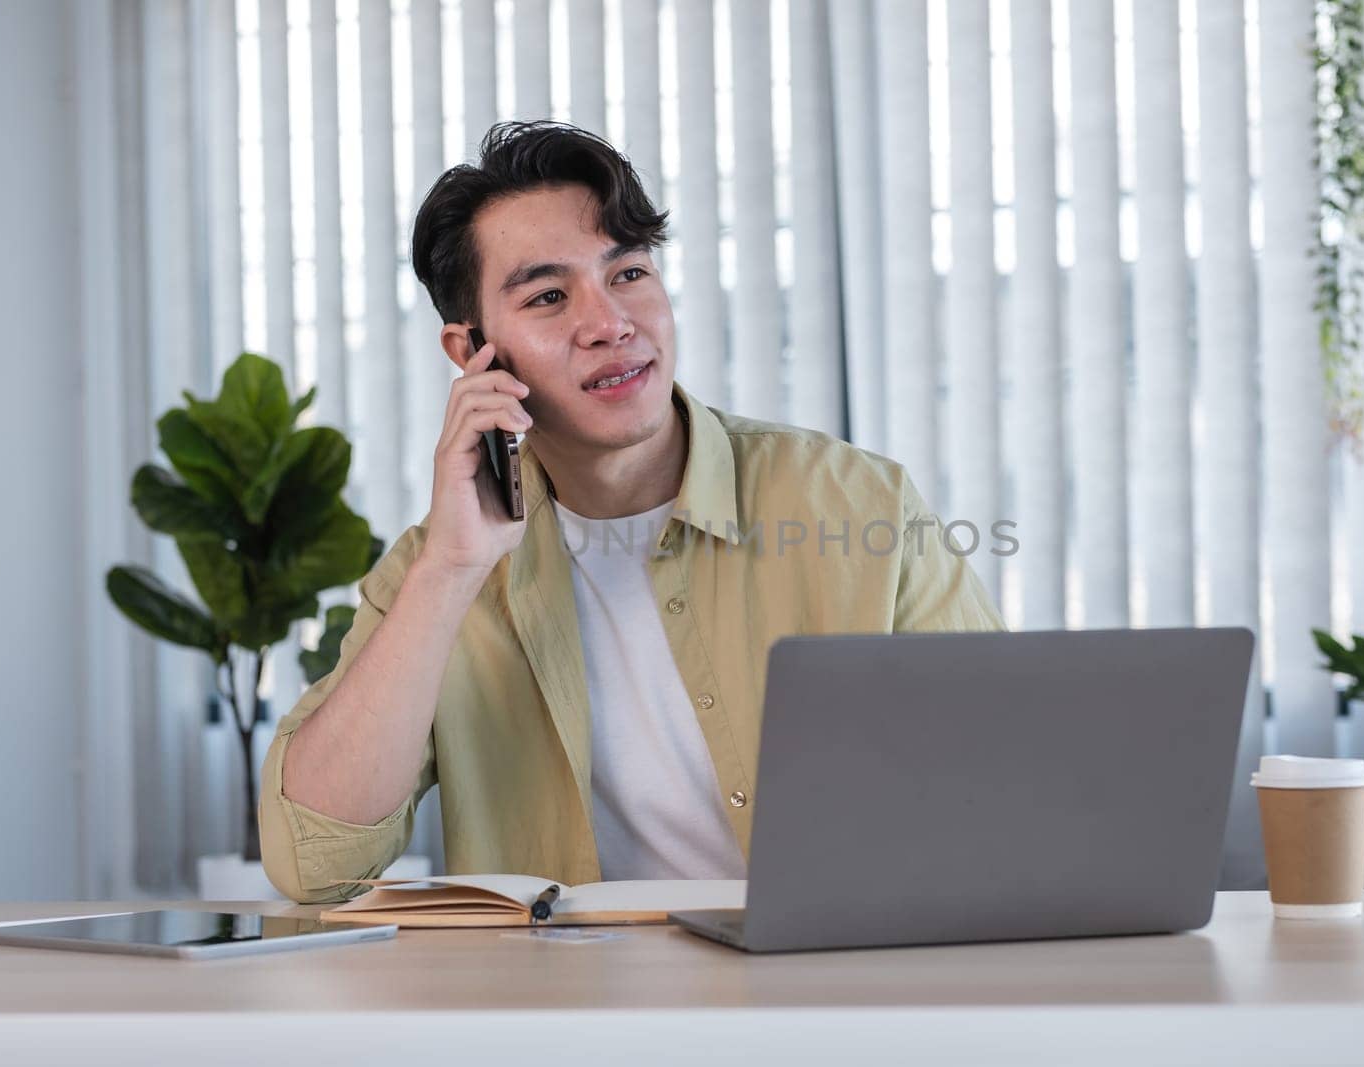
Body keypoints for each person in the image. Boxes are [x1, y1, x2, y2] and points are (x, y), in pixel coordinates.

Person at [258, 120, 1003, 903]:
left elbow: (1013, 779)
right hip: (576, 1013)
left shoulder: (858, 503)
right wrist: (451, 571)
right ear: (472, 351)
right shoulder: (433, 569)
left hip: (832, 997)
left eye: (630, 273)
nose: (610, 323)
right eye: (549, 295)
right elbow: (316, 862)